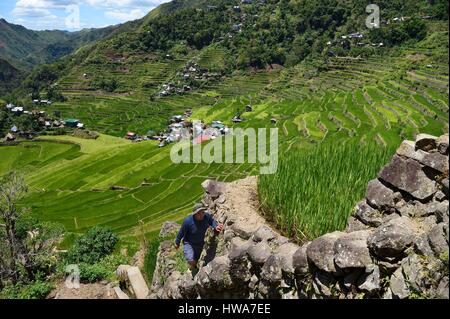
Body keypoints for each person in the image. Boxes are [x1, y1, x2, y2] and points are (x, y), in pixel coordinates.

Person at [175, 203, 223, 274]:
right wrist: (177, 242)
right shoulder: (188, 221)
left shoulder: (206, 216)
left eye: (202, 212)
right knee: (191, 259)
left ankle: (194, 268)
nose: (201, 215)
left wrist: (215, 226)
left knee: (196, 259)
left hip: (200, 244)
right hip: (189, 243)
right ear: (194, 214)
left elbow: (211, 221)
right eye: (199, 213)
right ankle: (192, 268)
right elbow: (181, 233)